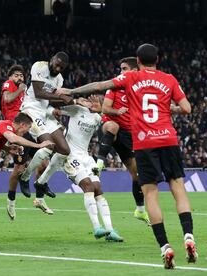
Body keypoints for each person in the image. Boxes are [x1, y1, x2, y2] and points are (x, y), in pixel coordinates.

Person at [57, 44, 196, 269]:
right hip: (168, 139)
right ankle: (188, 236)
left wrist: (71, 92)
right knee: (178, 188)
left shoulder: (130, 77)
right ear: (157, 59)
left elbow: (100, 86)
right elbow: (187, 108)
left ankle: (165, 247)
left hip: (144, 141)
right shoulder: (169, 79)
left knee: (150, 193)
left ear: (138, 61)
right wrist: (168, 110)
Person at [47, 96, 123, 241]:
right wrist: (67, 105)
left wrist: (100, 111)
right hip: (70, 155)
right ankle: (96, 227)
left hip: (86, 157)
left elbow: (107, 128)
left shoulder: (96, 117)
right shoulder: (76, 109)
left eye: (92, 100)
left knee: (98, 189)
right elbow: (54, 106)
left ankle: (110, 230)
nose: (89, 101)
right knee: (88, 185)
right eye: (87, 98)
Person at [97, 57, 150, 225]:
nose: (121, 72)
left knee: (138, 175)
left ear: (134, 71)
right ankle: (99, 163)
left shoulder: (141, 90)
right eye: (120, 68)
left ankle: (140, 210)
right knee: (112, 127)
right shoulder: (116, 86)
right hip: (111, 125)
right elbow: (105, 108)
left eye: (124, 68)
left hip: (129, 134)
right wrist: (117, 112)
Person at [18, 52, 73, 200]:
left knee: (64, 150)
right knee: (48, 145)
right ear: (52, 59)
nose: (58, 68)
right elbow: (38, 92)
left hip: (45, 112)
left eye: (62, 67)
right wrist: (62, 97)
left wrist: (72, 101)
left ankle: (41, 182)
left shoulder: (59, 79)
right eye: (57, 64)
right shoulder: (39, 66)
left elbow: (52, 100)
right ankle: (24, 177)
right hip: (31, 109)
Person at [0, 65, 51, 219]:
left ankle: (40, 197)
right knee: (19, 168)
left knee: (44, 162)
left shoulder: (24, 92)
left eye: (21, 76)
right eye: (16, 75)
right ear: (10, 77)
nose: (20, 78)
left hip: (30, 128)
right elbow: (7, 98)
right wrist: (20, 88)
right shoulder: (9, 85)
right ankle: (11, 201)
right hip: (16, 129)